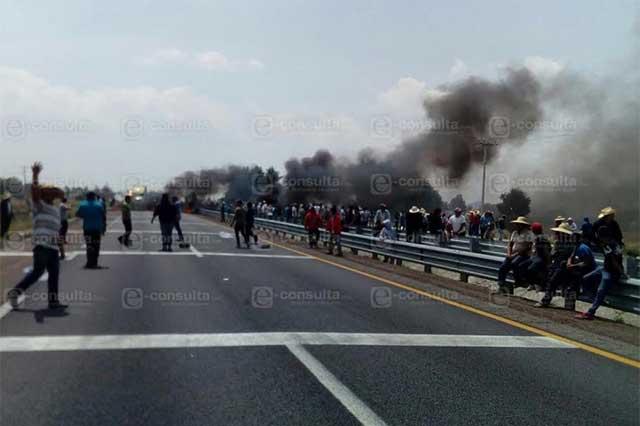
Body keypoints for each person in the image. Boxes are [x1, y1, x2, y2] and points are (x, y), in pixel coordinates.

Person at [7, 162, 67, 310]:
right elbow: (34, 191)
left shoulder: (56, 210)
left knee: (54, 274)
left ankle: (53, 302)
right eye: (52, 193)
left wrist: (61, 250)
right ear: (45, 195)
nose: (54, 196)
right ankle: (14, 292)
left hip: (52, 247)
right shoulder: (38, 205)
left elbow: (56, 231)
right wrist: (35, 175)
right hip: (41, 246)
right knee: (37, 272)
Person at [535, 222, 590, 309]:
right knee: (553, 281)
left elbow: (574, 258)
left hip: (569, 268)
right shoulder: (559, 243)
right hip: (561, 267)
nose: (558, 234)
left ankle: (547, 301)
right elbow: (554, 255)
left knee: (555, 282)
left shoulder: (571, 244)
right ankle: (548, 301)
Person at [576, 226, 624, 320]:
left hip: (611, 272)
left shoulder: (609, 245)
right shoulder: (612, 244)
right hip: (605, 269)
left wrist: (621, 272)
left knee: (601, 289)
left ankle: (591, 312)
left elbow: (615, 261)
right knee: (586, 278)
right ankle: (597, 300)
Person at [496, 216, 534, 294]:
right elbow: (510, 244)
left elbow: (527, 247)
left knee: (514, 263)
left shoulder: (528, 234)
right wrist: (509, 253)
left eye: (519, 224)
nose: (517, 226)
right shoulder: (514, 233)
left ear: (523, 225)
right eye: (516, 224)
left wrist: (514, 255)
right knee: (503, 268)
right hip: (513, 254)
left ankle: (519, 281)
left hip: (523, 255)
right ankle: (501, 285)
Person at [76, 191, 107, 268]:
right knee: (96, 246)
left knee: (89, 245)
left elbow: (78, 214)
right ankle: (95, 263)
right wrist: (103, 228)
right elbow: (103, 217)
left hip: (87, 229)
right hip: (97, 229)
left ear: (87, 197)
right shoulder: (99, 205)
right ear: (94, 197)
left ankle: (89, 263)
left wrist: (86, 215)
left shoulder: (83, 205)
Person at [519, 222, 551, 291]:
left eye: (532, 230)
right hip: (535, 257)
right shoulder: (537, 237)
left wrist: (548, 262)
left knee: (530, 269)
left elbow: (546, 251)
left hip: (541, 258)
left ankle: (537, 284)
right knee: (522, 266)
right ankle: (531, 283)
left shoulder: (541, 238)